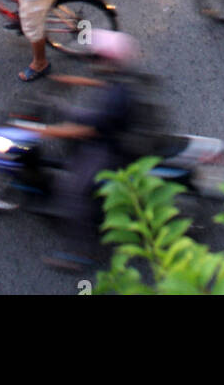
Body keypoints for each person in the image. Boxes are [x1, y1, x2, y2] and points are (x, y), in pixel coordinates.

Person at [41, 31, 144, 270]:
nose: (92, 62)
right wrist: (67, 81)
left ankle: (78, 254)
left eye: (96, 58)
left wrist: (44, 132)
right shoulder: (123, 78)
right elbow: (100, 83)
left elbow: (86, 130)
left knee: (71, 192)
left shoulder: (115, 100)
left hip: (109, 149)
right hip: (116, 132)